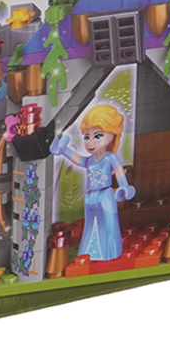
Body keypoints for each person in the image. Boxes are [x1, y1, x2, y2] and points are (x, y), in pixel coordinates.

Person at [50, 103, 135, 261]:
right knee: (90, 225)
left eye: (97, 136)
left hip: (105, 195)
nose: (90, 142)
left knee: (108, 223)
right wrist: (63, 150)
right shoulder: (90, 160)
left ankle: (109, 252)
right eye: (86, 137)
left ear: (113, 134)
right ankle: (90, 252)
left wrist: (124, 186)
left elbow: (118, 171)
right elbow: (78, 160)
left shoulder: (110, 157)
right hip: (90, 196)